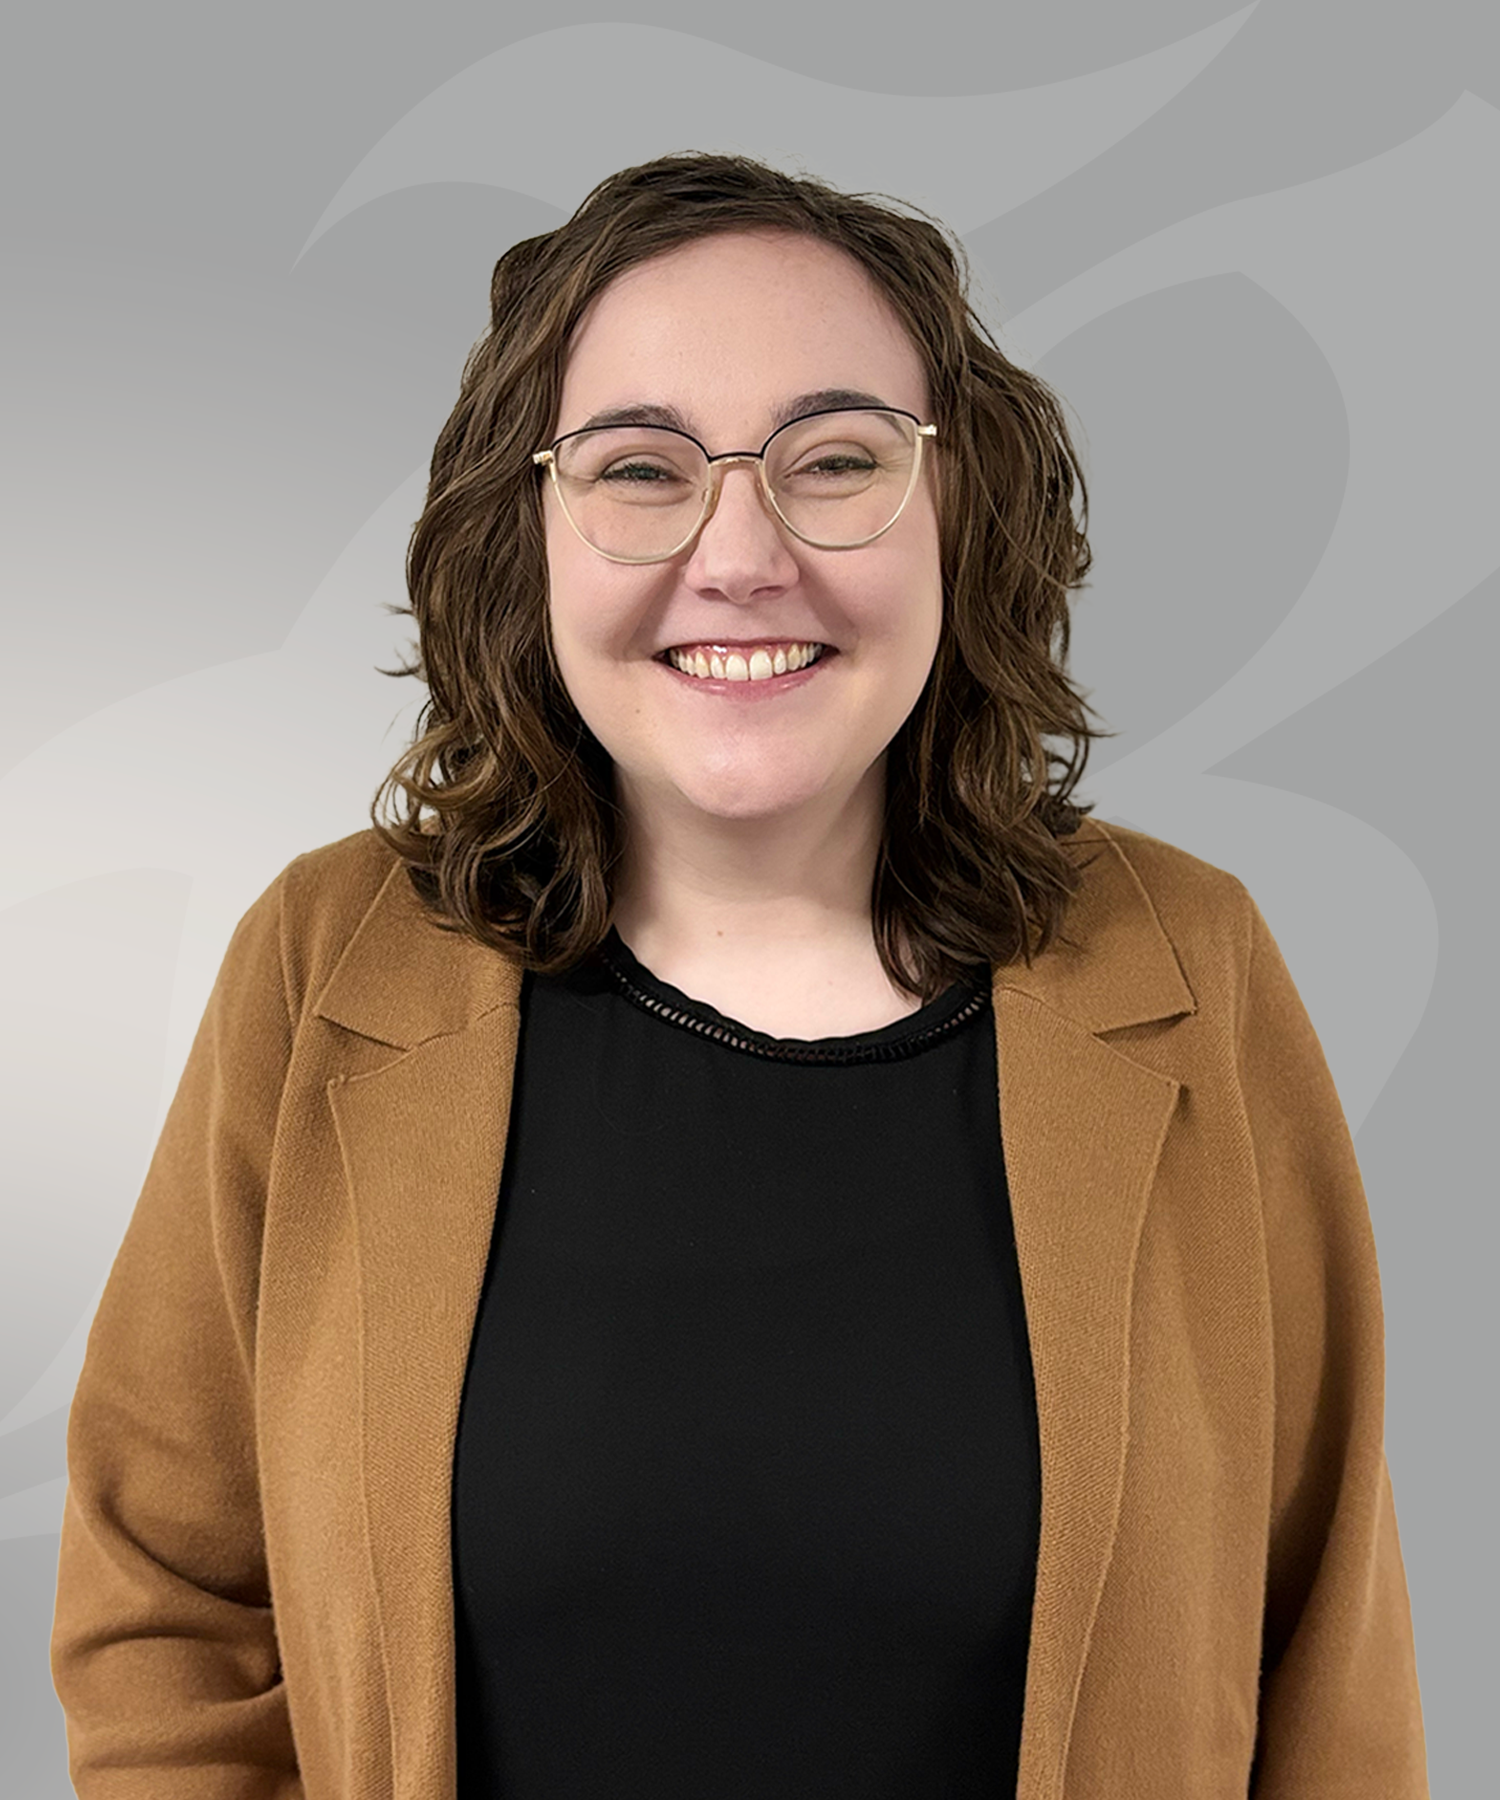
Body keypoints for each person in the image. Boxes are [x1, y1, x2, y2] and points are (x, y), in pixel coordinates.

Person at [50, 153, 1429, 1798]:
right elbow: (164, 1601)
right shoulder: (325, 969)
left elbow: (1330, 1661)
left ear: (955, 506)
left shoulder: (1192, 970)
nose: (743, 552)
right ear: (530, 532)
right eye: (643, 470)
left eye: (834, 459)